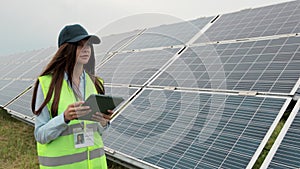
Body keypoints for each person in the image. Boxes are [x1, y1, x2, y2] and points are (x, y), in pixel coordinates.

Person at [31, 24, 113, 169]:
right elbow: (40, 135)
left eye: (88, 45)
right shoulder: (46, 85)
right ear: (66, 50)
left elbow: (98, 133)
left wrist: (103, 122)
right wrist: (64, 118)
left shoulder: (96, 83)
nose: (86, 49)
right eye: (79, 45)